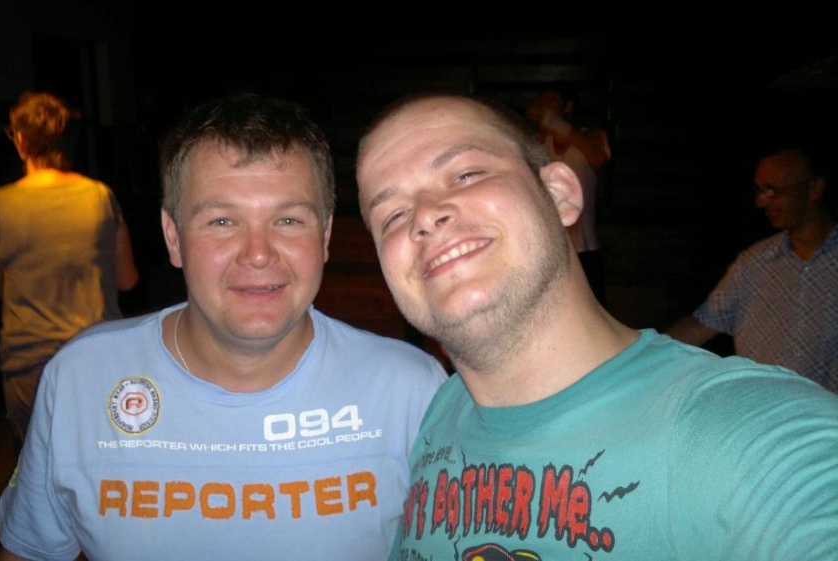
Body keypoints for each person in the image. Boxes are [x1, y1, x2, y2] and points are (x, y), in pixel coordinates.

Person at [354, 92, 838, 559]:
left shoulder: (740, 434)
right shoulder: (443, 409)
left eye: (465, 174)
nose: (424, 217)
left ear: (560, 194)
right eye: (392, 215)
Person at [0, 92, 447, 561]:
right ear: (173, 237)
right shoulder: (81, 379)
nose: (258, 253)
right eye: (223, 220)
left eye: (288, 220)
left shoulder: (412, 390)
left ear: (326, 235)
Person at [0, 91, 139, 445]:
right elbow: (128, 279)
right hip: (96, 356)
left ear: (21, 140)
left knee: (39, 463)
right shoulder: (99, 196)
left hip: (28, 362)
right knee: (98, 458)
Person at [664, 147, 836, 392]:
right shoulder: (754, 263)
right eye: (759, 190)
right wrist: (639, 357)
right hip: (761, 408)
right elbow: (700, 326)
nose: (760, 202)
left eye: (772, 190)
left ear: (814, 189)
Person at [527, 87, 611, 306]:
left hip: (584, 248)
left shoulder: (591, 138)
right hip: (552, 249)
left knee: (593, 310)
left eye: (551, 100)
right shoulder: (540, 143)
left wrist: (552, 123)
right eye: (541, 100)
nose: (543, 104)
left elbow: (599, 157)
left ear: (568, 106)